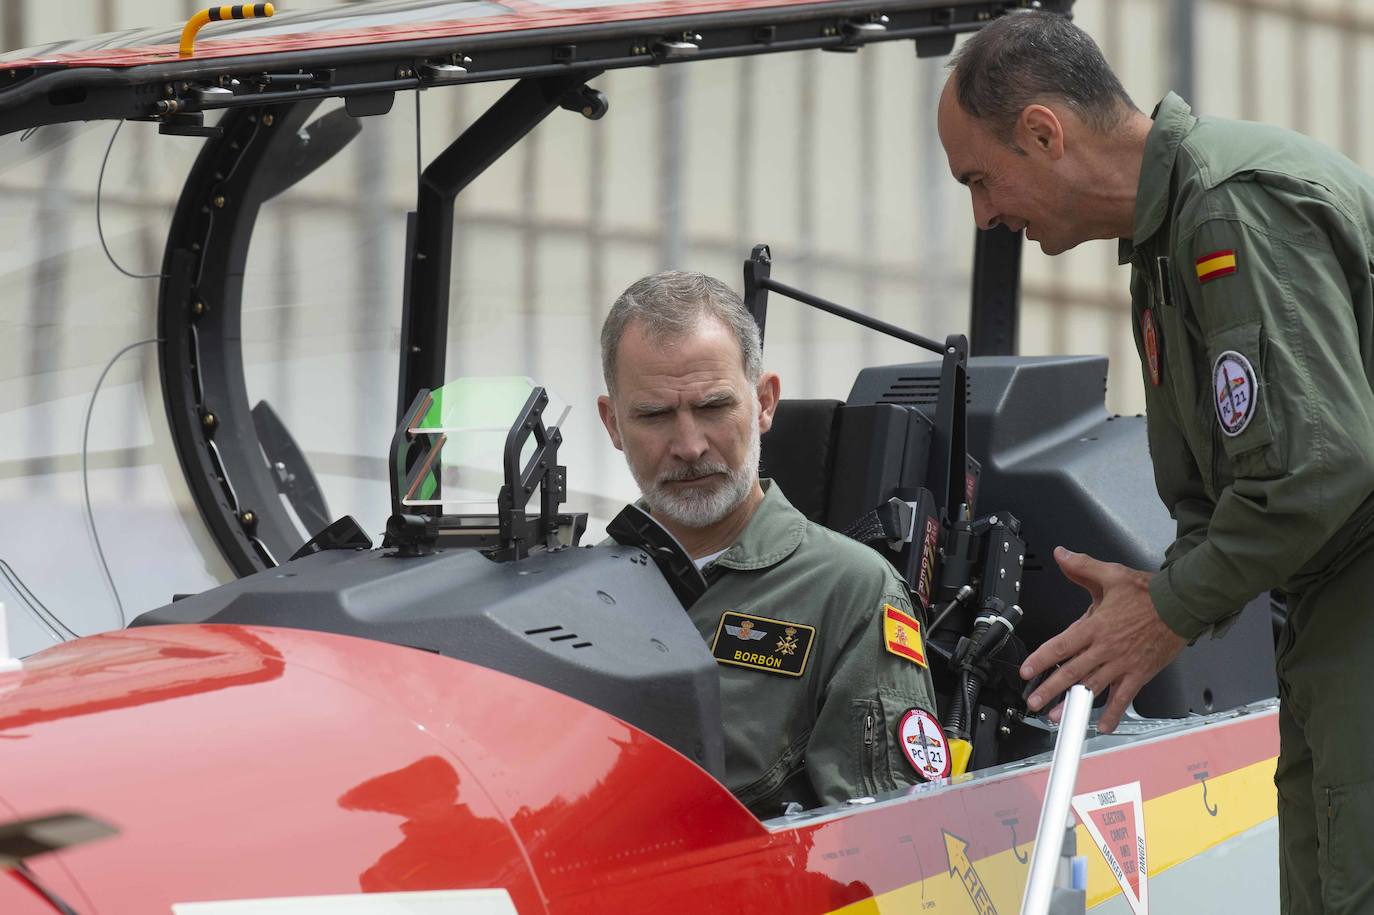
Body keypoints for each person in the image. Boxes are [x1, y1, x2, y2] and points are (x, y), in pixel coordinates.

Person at [937, 11, 1374, 914]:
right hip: (1327, 623)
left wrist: (1166, 610)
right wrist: (1157, 592)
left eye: (981, 179)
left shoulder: (1230, 208)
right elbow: (1252, 476)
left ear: (1044, 133)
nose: (985, 215)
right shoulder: (1168, 240)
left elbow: (1321, 468)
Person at [597, 270, 942, 816]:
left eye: (713, 407)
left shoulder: (851, 591)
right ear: (612, 424)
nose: (688, 445)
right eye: (654, 415)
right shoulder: (579, 591)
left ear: (763, 403)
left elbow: (888, 844)